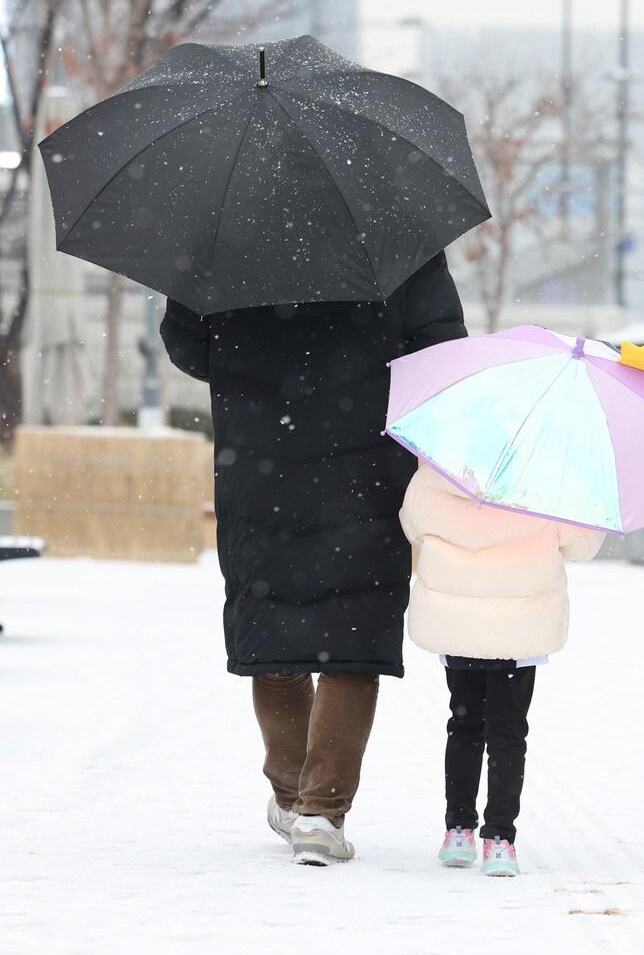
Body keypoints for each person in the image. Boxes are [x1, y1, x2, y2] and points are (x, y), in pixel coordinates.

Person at [160, 252, 467, 865]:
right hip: (367, 466)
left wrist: (256, 357)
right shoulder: (398, 238)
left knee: (271, 626)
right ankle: (321, 812)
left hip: (259, 458)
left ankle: (291, 790)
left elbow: (187, 345)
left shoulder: (224, 237)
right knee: (354, 637)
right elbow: (442, 352)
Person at [399, 464, 605, 877]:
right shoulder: (547, 473)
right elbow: (581, 545)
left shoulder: (437, 470)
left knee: (464, 725)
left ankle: (458, 830)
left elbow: (414, 527)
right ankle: (499, 838)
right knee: (508, 733)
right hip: (519, 623)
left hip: (459, 618)